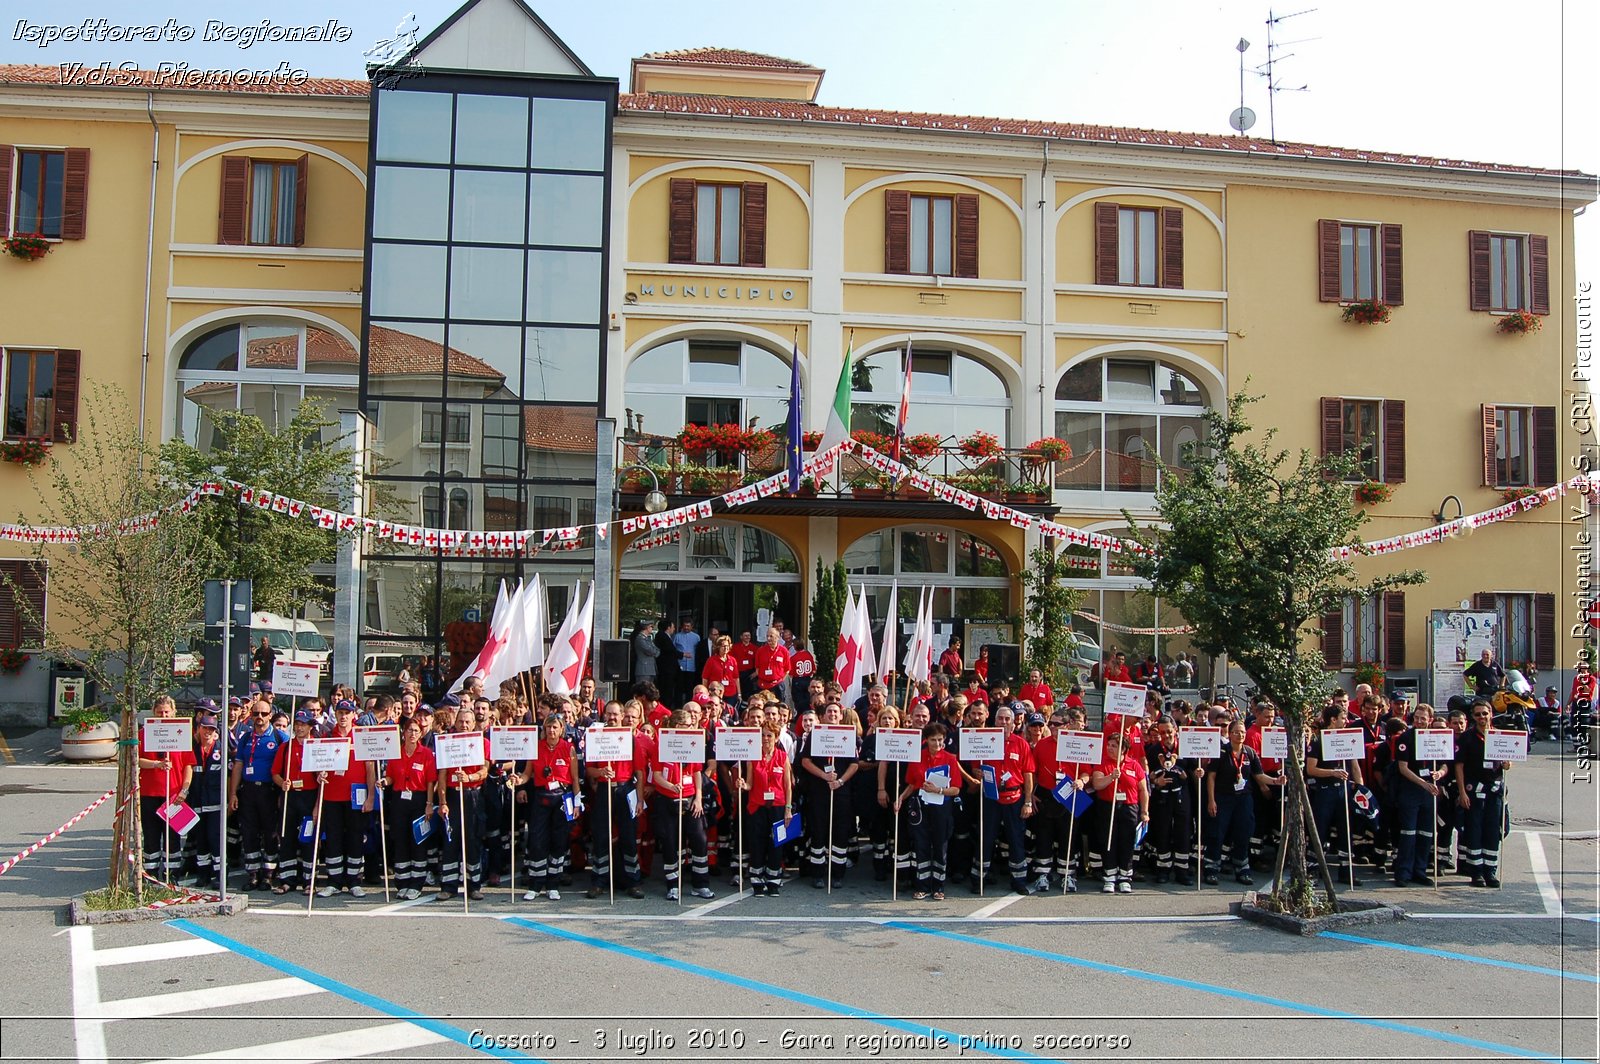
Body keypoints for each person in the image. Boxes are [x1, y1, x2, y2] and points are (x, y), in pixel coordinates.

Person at [967, 704, 1036, 895]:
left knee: (1016, 840)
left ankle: (1019, 880)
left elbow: (1028, 774)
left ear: (1014, 724)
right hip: (990, 796)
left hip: (1014, 798)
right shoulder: (984, 740)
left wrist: (1028, 802)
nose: (1003, 722)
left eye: (1007, 719)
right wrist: (976, 772)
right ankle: (978, 877)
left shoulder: (1021, 744)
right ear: (994, 720)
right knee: (986, 838)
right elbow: (974, 766)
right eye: (1000, 719)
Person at [650, 706, 715, 901]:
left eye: (690, 725)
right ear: (675, 725)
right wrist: (671, 786)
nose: (688, 728)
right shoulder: (660, 745)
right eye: (684, 725)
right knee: (670, 841)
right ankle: (672, 884)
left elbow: (697, 772)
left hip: (689, 798)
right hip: (667, 799)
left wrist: (698, 797)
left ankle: (700, 884)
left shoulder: (693, 743)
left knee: (699, 839)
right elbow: (657, 776)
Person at [316, 700, 378, 897]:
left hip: (356, 798)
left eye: (347, 713)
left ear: (354, 715)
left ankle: (354, 880)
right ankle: (334, 881)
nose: (343, 716)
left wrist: (370, 797)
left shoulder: (361, 736)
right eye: (340, 712)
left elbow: (370, 768)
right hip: (332, 797)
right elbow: (319, 766)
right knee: (333, 838)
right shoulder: (327, 736)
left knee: (355, 837)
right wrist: (320, 775)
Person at [1204, 720, 1275, 886]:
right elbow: (1211, 777)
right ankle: (1211, 868)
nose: (1240, 735)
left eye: (1242, 732)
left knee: (1243, 832)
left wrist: (1276, 781)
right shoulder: (1221, 752)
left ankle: (1242, 868)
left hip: (1243, 798)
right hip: (1223, 797)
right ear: (1230, 734)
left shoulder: (1249, 753)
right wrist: (1211, 800)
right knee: (1217, 832)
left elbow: (1259, 776)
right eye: (1236, 732)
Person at [897, 722, 962, 900]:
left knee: (940, 845)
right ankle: (922, 885)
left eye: (940, 740)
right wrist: (900, 798)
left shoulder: (950, 759)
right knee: (921, 844)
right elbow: (912, 783)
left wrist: (939, 790)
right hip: (921, 806)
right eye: (933, 740)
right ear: (926, 740)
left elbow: (956, 788)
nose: (937, 744)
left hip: (942, 807)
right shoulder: (917, 757)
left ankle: (939, 886)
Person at [798, 702, 860, 888]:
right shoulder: (815, 734)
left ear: (841, 716)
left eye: (836, 712)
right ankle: (818, 873)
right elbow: (805, 761)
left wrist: (840, 781)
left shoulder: (848, 735)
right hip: (819, 791)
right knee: (818, 831)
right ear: (823, 716)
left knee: (840, 832)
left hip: (840, 791)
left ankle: (837, 874)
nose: (833, 714)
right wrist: (824, 775)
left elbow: (854, 764)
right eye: (829, 711)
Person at [134, 695, 195, 884]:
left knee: (173, 838)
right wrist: (156, 764)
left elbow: (188, 766)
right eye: (160, 712)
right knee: (151, 836)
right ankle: (150, 876)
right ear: (154, 712)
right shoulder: (144, 734)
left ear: (173, 712)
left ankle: (172, 876)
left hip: (174, 795)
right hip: (149, 794)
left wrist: (184, 791)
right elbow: (136, 760)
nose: (164, 715)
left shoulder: (182, 733)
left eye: (167, 712)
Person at [1306, 702, 1366, 885]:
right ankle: (1314, 870)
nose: (1346, 721)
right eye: (1342, 718)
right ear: (1333, 720)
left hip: (1345, 790)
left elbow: (1354, 764)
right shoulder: (1318, 741)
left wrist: (1360, 787)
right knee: (1320, 830)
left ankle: (1346, 871)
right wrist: (1332, 773)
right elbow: (1311, 769)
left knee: (1346, 831)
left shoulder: (1348, 737)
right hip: (1325, 791)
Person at [519, 712, 576, 901]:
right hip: (541, 797)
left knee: (559, 841)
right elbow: (527, 774)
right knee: (537, 840)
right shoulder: (535, 747)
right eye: (548, 727)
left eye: (555, 727)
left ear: (561, 729)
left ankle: (553, 884)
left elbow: (575, 779)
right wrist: (518, 779)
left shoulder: (569, 749)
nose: (551, 730)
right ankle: (535, 884)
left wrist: (577, 802)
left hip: (562, 798)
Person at [1390, 702, 1448, 887]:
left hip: (1429, 792)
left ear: (1430, 720)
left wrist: (1439, 774)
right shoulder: (1405, 738)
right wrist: (1423, 783)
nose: (1419, 721)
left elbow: (1445, 764)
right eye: (1416, 718)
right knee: (1408, 832)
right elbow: (1402, 768)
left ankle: (1420, 871)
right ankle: (1403, 873)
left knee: (1426, 832)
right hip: (1411, 790)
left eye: (1423, 718)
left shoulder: (1437, 738)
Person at [1455, 699, 1511, 887]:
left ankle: (1490, 871)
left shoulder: (1499, 735)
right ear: (1473, 716)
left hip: (1494, 791)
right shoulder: (1467, 738)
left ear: (1491, 714)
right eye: (1478, 714)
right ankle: (1476, 872)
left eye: (1484, 713)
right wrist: (1462, 792)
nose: (1481, 717)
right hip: (1474, 790)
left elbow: (1507, 761)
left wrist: (1507, 764)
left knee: (1493, 832)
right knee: (1474, 831)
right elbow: (1459, 766)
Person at [436, 704, 489, 902]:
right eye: (460, 721)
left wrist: (469, 777)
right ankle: (448, 886)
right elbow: (441, 776)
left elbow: (485, 770)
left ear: (474, 723)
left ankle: (473, 885)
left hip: (472, 794)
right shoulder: (446, 743)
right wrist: (442, 802)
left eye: (467, 721)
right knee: (451, 841)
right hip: (452, 795)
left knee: (473, 840)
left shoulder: (482, 742)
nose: (464, 725)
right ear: (454, 723)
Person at [1090, 732, 1149, 894]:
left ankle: (1125, 877)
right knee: (1108, 842)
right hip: (1107, 807)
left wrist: (1144, 812)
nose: (1109, 748)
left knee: (1127, 843)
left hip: (1129, 808)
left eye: (1114, 746)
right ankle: (1109, 877)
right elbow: (1097, 784)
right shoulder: (1103, 763)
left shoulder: (1134, 765)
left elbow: (1143, 790)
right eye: (1108, 745)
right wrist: (1111, 777)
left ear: (1123, 749)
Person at [386, 717, 438, 900]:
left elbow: (431, 781)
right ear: (403, 732)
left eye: (416, 731)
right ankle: (402, 881)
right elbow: (391, 776)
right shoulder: (396, 753)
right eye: (410, 730)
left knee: (418, 842)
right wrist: (384, 781)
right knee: (400, 841)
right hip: (399, 800)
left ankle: (416, 883)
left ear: (420, 733)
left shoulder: (426, 754)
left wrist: (429, 804)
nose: (413, 734)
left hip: (419, 800)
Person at [742, 720, 794, 897]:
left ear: (776, 737)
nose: (765, 739)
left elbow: (787, 786)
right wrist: (743, 785)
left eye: (769, 735)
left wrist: (788, 809)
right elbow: (749, 784)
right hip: (757, 807)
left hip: (778, 807)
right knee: (757, 843)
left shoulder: (782, 756)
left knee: (776, 844)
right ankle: (757, 881)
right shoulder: (752, 757)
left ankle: (773, 881)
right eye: (762, 735)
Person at [270, 710, 319, 894]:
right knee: (287, 837)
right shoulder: (285, 747)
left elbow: (323, 777)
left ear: (310, 727)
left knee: (308, 839)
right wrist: (282, 783)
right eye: (297, 724)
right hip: (290, 796)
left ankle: (309, 881)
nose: (299, 727)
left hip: (309, 796)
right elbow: (274, 773)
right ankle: (287, 880)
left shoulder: (316, 746)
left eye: (303, 724)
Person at [1144, 716, 1196, 885]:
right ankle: (1163, 869)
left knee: (1183, 832)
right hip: (1161, 797)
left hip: (1182, 795)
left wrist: (1195, 773)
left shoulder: (1186, 748)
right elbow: (1148, 775)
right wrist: (1155, 782)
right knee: (1163, 832)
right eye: (1162, 732)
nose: (1166, 735)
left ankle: (1182, 871)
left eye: (1169, 731)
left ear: (1176, 730)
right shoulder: (1153, 751)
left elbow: (1194, 770)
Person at [185, 703, 226, 889]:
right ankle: (203, 874)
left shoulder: (222, 750)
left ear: (216, 731)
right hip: (197, 803)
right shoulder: (192, 749)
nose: (207, 732)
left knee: (215, 840)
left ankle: (219, 875)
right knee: (201, 841)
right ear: (199, 729)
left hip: (216, 804)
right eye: (205, 728)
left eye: (211, 729)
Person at [753, 625, 792, 703]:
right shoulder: (760, 651)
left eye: (771, 636)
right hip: (763, 685)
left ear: (777, 637)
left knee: (779, 707)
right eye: (767, 636)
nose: (768, 638)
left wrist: (779, 680)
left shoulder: (784, 651)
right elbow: (757, 668)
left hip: (777, 685)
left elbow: (787, 669)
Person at [672, 618, 702, 702]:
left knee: (690, 687)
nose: (686, 628)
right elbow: (673, 650)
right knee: (679, 687)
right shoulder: (677, 636)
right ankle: (678, 705)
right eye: (685, 626)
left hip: (691, 666)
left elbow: (698, 651)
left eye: (688, 626)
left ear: (692, 627)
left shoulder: (696, 637)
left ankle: (689, 704)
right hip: (680, 665)